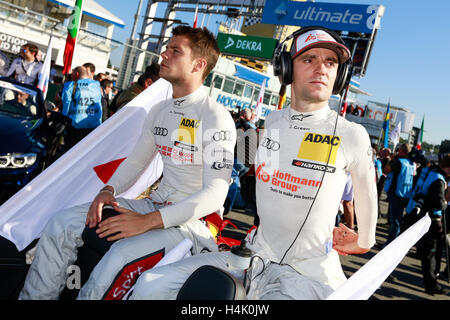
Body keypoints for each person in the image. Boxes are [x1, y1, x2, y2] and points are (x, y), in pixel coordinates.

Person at [125, 26, 378, 300]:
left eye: (330, 62)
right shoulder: (271, 122)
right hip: (252, 256)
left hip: (308, 274)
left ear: (339, 75)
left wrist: (365, 240)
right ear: (286, 70)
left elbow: (367, 193)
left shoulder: (352, 134)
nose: (322, 69)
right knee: (150, 284)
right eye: (309, 59)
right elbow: (248, 168)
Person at [19, 25, 236, 300]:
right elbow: (135, 163)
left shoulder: (217, 117)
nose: (163, 55)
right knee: (60, 223)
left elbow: (217, 192)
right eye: (166, 48)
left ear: (198, 64)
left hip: (194, 224)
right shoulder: (160, 110)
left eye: (174, 51)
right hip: (154, 205)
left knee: (120, 254)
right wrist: (107, 191)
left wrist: (148, 222)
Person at [405, 155, 450, 295]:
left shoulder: (431, 172)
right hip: (431, 219)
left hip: (420, 214)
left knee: (426, 254)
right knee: (429, 254)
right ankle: (431, 285)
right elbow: (438, 202)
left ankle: (431, 283)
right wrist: (445, 203)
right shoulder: (439, 180)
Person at [60, 65, 103, 150]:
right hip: (94, 126)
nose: (71, 76)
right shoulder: (97, 85)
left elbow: (66, 105)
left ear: (76, 74)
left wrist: (63, 120)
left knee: (71, 152)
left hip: (76, 126)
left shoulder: (70, 85)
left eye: (72, 74)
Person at [383, 143, 415, 245]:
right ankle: (391, 241)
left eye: (399, 150)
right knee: (398, 219)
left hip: (396, 193)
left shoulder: (398, 162)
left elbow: (386, 170)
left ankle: (391, 243)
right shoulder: (411, 163)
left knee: (395, 220)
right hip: (405, 193)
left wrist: (391, 159)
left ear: (401, 151)